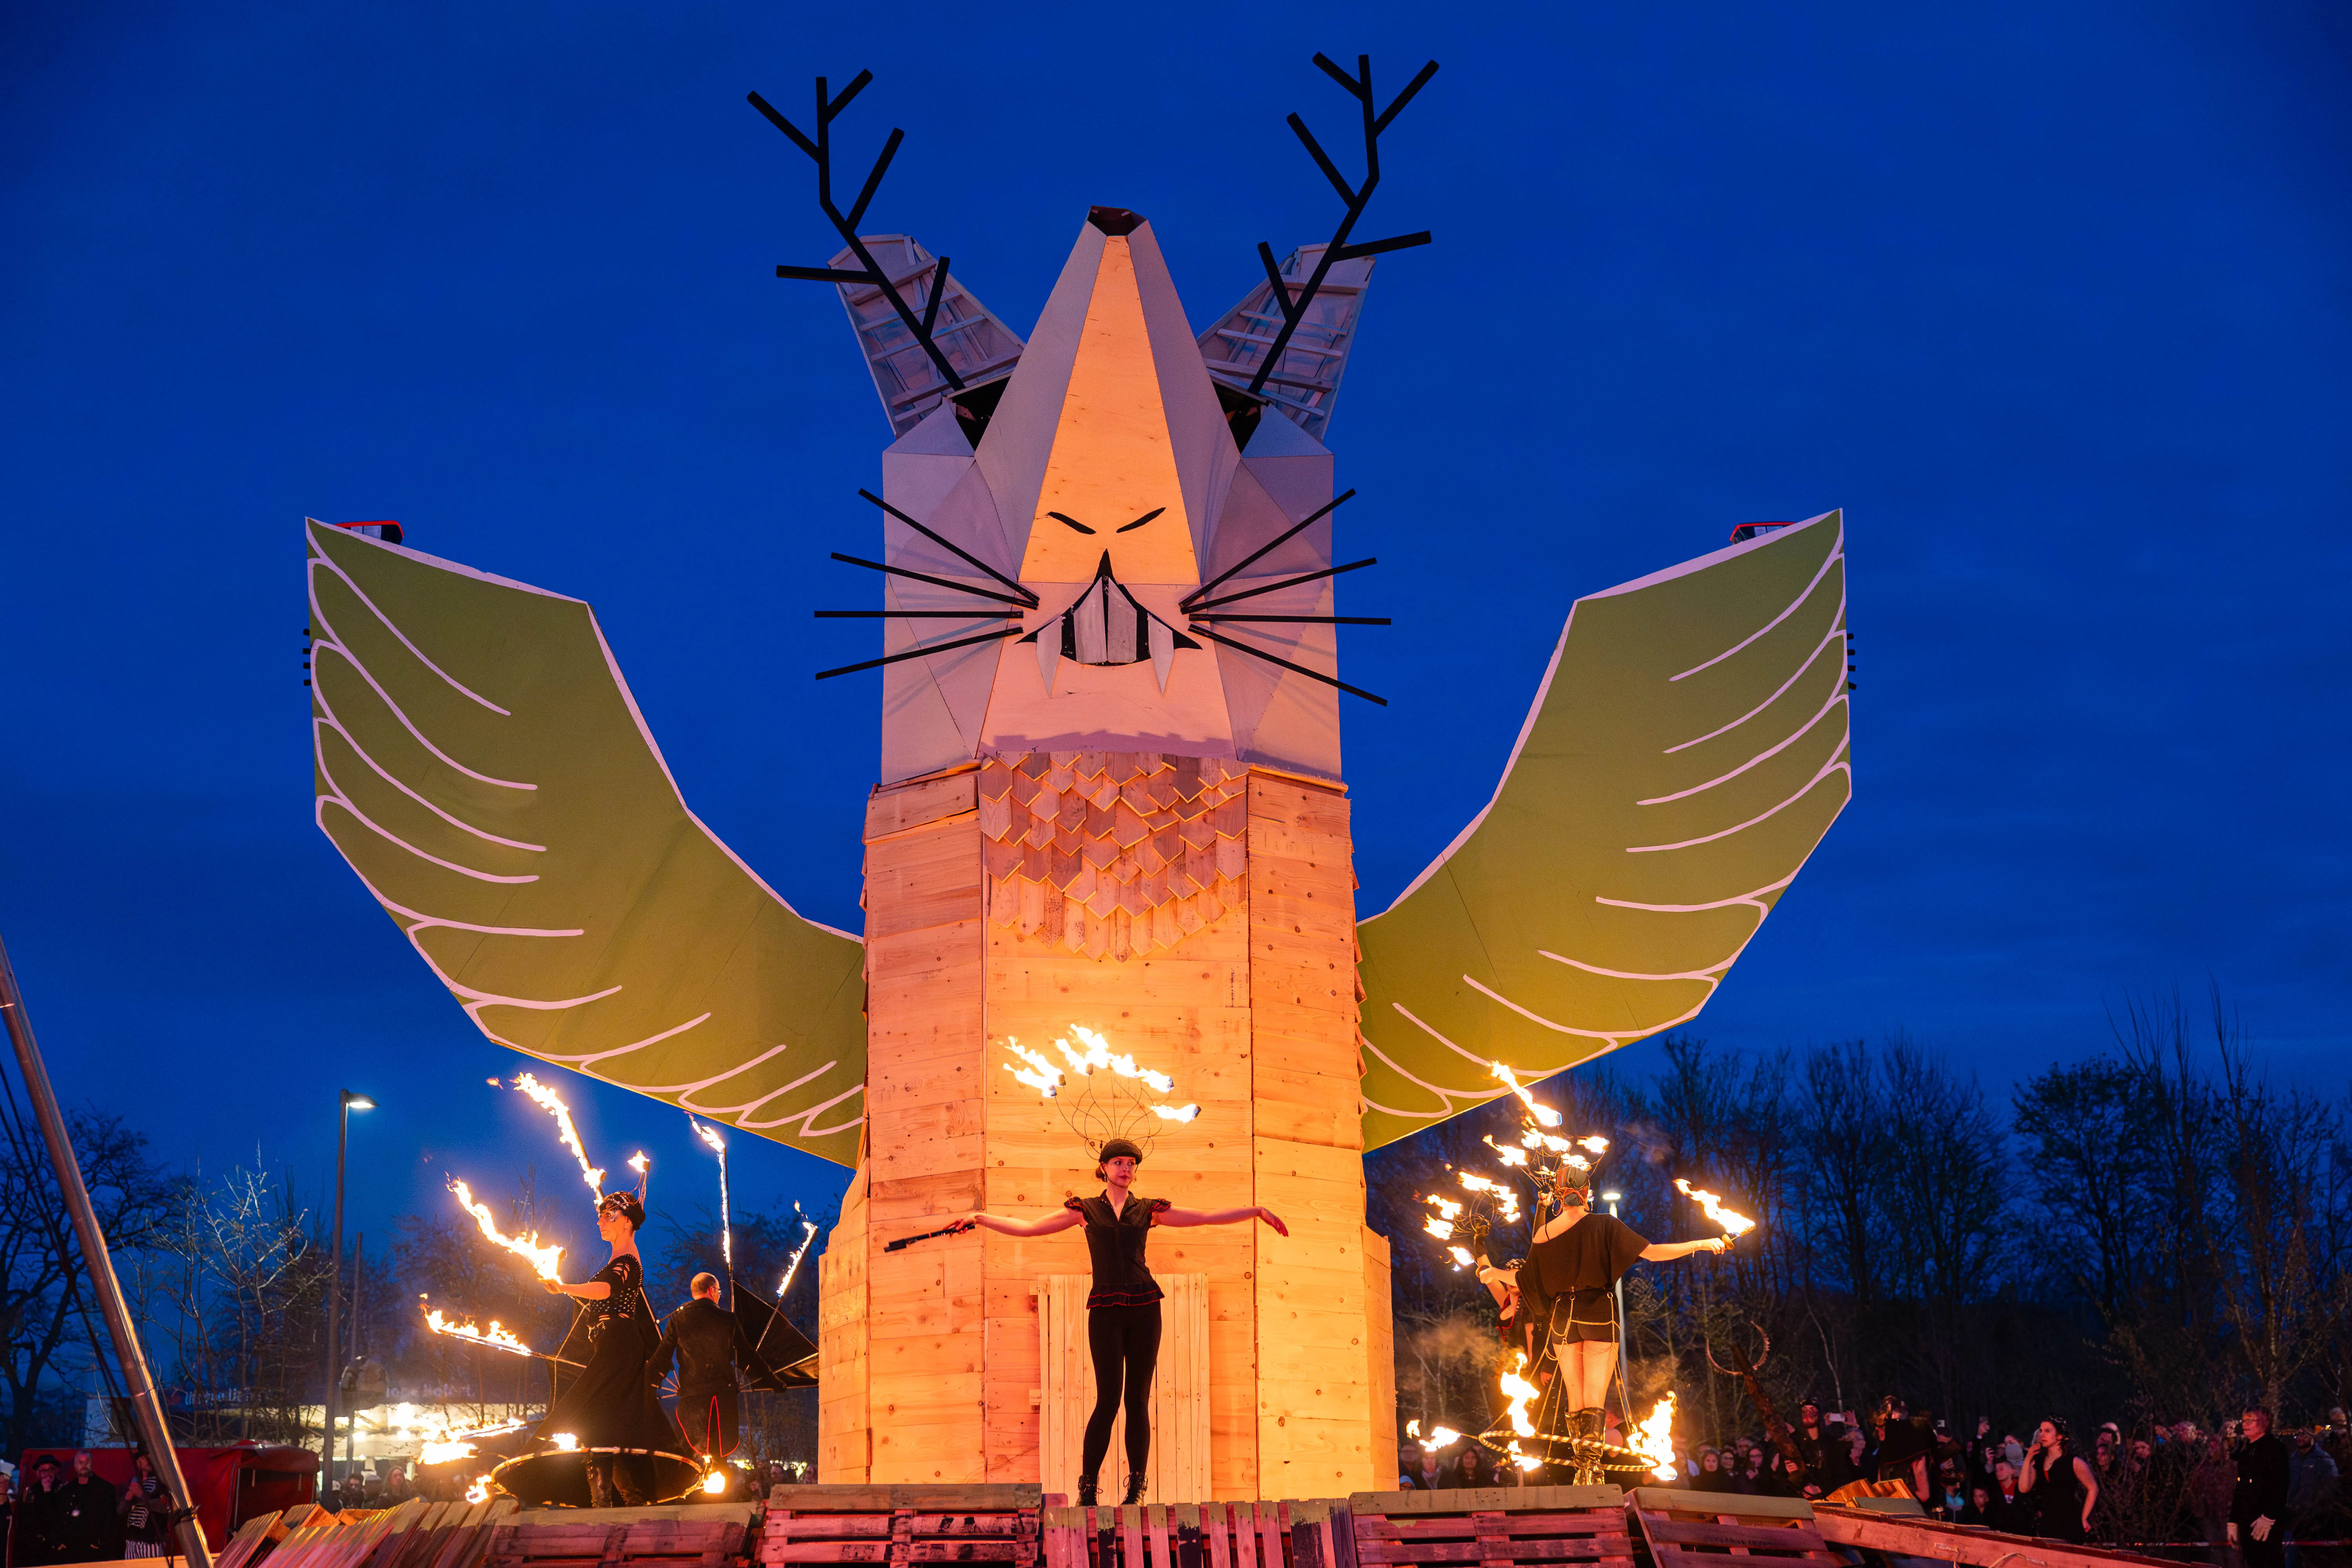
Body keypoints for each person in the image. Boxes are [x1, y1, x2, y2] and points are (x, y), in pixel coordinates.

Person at [962, 1136, 1286, 1506]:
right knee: (1108, 1401)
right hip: (1105, 1311)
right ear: (1103, 1168)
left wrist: (1257, 1211)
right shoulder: (1084, 1210)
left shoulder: (1148, 1209)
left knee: (1138, 1399)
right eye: (1118, 1162)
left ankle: (1136, 1491)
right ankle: (1088, 1489)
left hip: (1145, 1308)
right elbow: (1028, 1227)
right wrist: (978, 1218)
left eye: (1131, 1164)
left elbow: (1204, 1217)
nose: (1125, 1169)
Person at [1516, 1161, 1727, 1468]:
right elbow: (1653, 1252)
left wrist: (1492, 1272)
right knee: (1594, 1399)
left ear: (1559, 1196)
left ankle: (1583, 1468)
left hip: (1563, 1318)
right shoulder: (1604, 1224)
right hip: (1598, 1314)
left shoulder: (1541, 1236)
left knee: (1575, 1400)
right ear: (1587, 1193)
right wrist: (1702, 1244)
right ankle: (1591, 1469)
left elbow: (1527, 1281)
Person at [538, 1189, 684, 1508]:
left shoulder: (628, 1259)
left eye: (608, 1216)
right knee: (608, 1427)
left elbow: (606, 1289)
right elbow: (601, 1294)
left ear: (627, 1222)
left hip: (620, 1344)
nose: (600, 1221)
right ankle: (624, 1503)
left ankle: (610, 1505)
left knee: (595, 1419)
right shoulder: (618, 1257)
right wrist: (566, 1291)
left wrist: (564, 1287)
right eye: (601, 1215)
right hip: (612, 1343)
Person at [652, 1271, 788, 1466]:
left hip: (692, 1398)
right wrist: (773, 1382)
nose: (719, 1295)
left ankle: (696, 1490)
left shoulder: (678, 1319)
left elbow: (663, 1355)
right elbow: (746, 1356)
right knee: (720, 1454)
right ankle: (720, 1488)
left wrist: (649, 1383)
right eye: (719, 1291)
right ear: (711, 1291)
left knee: (695, 1453)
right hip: (723, 1397)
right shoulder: (727, 1320)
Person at [2020, 1418, 2099, 1544]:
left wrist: (2084, 1517)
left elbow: (2093, 1488)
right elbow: (2024, 1488)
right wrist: (2028, 1460)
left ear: (2060, 1436)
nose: (2042, 1435)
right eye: (2041, 1431)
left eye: (2048, 1431)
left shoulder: (2073, 1462)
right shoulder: (2038, 1462)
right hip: (2047, 1524)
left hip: (2069, 1524)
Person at [2232, 1407, 2291, 1568]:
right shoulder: (2246, 1451)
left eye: (2251, 1421)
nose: (2245, 1424)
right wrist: (2234, 1519)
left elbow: (2280, 1485)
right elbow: (2241, 1487)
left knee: (2268, 1561)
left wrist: (2269, 1517)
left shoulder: (2274, 1449)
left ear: (2264, 1423)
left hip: (2266, 1523)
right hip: (2248, 1520)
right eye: (2244, 1420)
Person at [51, 1454, 120, 1564]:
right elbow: (58, 1516)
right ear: (75, 1465)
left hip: (95, 1549)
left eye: (87, 1462)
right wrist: (60, 1541)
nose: (84, 1465)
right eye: (80, 1462)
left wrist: (101, 1541)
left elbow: (110, 1518)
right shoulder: (67, 1490)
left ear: (92, 1464)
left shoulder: (105, 1488)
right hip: (71, 1549)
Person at [118, 1452, 171, 1559]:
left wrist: (142, 1495)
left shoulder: (161, 1482)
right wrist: (128, 1497)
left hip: (152, 1542)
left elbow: (165, 1507)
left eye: (145, 1458)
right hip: (132, 1541)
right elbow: (120, 1511)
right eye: (141, 1459)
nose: (143, 1461)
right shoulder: (134, 1481)